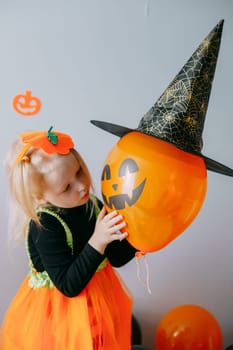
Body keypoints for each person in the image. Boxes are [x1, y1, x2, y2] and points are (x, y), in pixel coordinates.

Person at [0, 126, 137, 350]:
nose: (82, 186)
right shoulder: (45, 227)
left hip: (99, 302)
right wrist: (98, 240)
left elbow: (116, 257)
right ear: (40, 198)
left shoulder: (91, 204)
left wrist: (143, 238)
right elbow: (69, 286)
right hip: (57, 317)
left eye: (79, 171)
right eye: (66, 187)